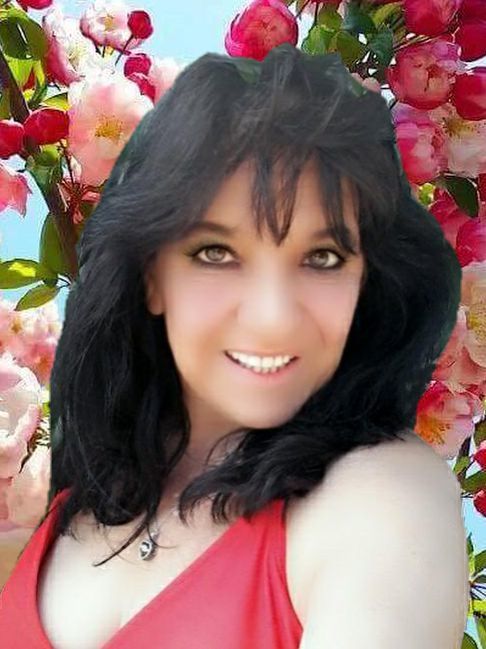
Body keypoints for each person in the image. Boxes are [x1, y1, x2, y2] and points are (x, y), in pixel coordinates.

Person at [0, 44, 469, 648]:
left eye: (323, 259)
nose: (272, 317)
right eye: (216, 253)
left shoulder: (382, 495)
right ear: (151, 277)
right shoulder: (51, 519)